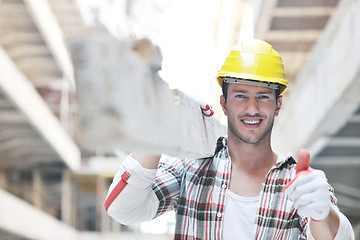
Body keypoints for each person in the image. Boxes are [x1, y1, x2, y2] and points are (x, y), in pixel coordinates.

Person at [104, 39, 354, 239]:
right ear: (223, 103)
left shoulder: (299, 183)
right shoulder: (192, 168)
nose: (252, 108)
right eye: (241, 95)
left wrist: (323, 214)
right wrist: (160, 128)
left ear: (278, 105)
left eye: (264, 97)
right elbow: (123, 208)